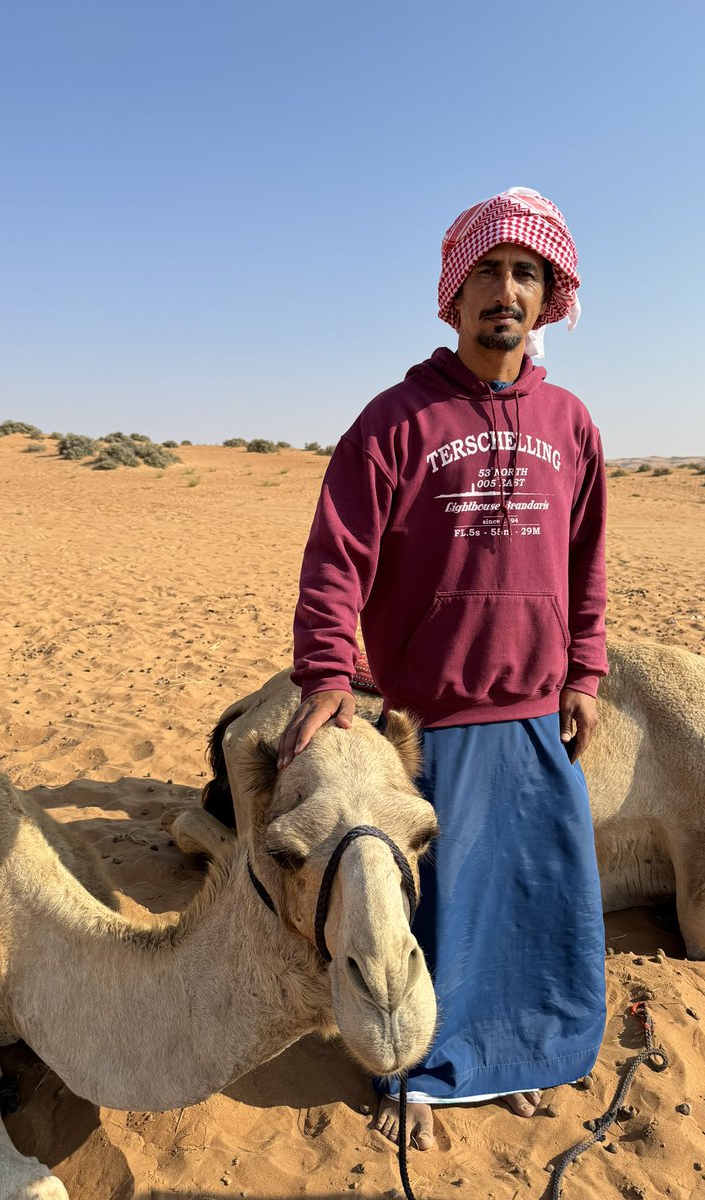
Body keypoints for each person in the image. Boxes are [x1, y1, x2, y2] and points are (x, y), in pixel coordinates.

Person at [278, 186, 608, 1151]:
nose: (505, 290)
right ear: (454, 295)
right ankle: (423, 1065)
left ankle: (525, 1055)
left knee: (532, 898)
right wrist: (327, 674)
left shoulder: (574, 424)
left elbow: (587, 562)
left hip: (534, 707)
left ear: (547, 298)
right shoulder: (394, 420)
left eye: (525, 273)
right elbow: (336, 554)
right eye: (488, 272)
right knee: (433, 908)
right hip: (428, 714)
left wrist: (583, 674)